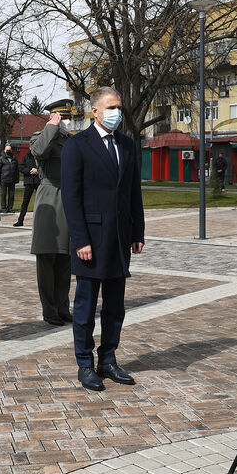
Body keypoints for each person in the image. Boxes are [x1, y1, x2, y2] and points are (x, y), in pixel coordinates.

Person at [61, 86, 145, 391]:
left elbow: (133, 191)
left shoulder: (127, 145)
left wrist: (138, 231)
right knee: (85, 305)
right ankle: (85, 363)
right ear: (94, 111)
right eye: (111, 107)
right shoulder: (77, 146)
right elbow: (71, 198)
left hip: (120, 237)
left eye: (119, 107)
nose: (117, 113)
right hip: (91, 240)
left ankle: (108, 359)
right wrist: (80, 239)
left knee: (115, 306)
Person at [30, 99, 76, 325]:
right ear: (54, 117)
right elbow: (39, 151)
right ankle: (49, 310)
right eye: (62, 117)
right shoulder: (40, 136)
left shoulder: (71, 140)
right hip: (49, 195)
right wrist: (51, 127)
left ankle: (62, 306)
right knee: (48, 258)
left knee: (65, 258)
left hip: (69, 197)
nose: (67, 121)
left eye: (69, 117)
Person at [13, 146, 40, 227]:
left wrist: (37, 171)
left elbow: (44, 167)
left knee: (41, 201)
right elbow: (20, 167)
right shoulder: (26, 156)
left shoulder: (39, 156)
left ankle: (41, 221)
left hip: (38, 181)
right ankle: (20, 220)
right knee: (25, 202)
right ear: (30, 147)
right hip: (29, 182)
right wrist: (29, 171)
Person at [0, 144, 20, 213]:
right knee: (3, 194)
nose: (8, 151)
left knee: (11, 195)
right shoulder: (1, 158)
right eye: (7, 150)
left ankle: (10, 208)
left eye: (9, 150)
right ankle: (4, 208)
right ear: (4, 150)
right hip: (4, 179)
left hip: (12, 180)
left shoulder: (14, 158)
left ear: (11, 150)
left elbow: (17, 170)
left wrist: (17, 179)